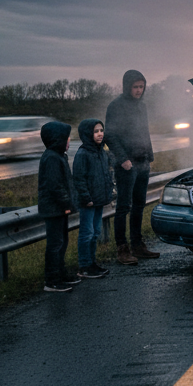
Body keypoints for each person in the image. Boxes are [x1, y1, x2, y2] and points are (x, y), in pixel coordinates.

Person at [105, 69, 160, 264]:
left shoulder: (141, 106)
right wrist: (122, 159)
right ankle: (122, 249)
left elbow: (144, 132)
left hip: (143, 161)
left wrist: (149, 156)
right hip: (127, 165)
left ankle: (138, 245)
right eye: (135, 87)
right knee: (123, 207)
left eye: (141, 87)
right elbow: (109, 135)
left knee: (139, 206)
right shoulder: (116, 106)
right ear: (127, 86)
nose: (138, 90)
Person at [37, 121, 81, 291]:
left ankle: (61, 274)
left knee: (62, 242)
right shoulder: (52, 158)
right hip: (54, 208)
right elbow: (55, 186)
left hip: (59, 208)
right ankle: (52, 280)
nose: (69, 141)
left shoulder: (60, 156)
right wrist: (66, 204)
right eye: (67, 138)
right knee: (55, 244)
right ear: (58, 139)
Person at [73, 119, 112, 278]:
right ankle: (84, 266)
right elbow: (79, 179)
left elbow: (106, 174)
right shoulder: (83, 153)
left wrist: (108, 193)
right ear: (88, 134)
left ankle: (92, 262)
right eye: (96, 131)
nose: (100, 134)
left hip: (99, 200)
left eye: (101, 130)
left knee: (96, 232)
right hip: (88, 201)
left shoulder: (102, 151)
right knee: (87, 233)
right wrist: (86, 197)